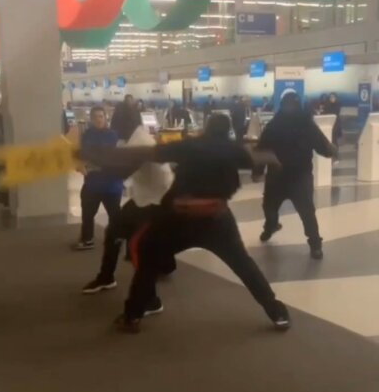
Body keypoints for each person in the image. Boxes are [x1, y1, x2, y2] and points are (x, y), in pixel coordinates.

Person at [84, 114, 290, 333]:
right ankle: (276, 312)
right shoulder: (234, 150)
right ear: (227, 130)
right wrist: (272, 164)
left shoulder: (191, 146)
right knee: (244, 265)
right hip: (217, 220)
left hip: (178, 219)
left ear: (207, 127)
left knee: (147, 259)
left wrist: (97, 153)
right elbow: (263, 158)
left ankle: (132, 316)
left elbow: (148, 153)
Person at [82, 109, 175, 294]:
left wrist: (94, 166)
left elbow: (122, 170)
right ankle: (109, 277)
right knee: (118, 232)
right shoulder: (136, 139)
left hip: (156, 200)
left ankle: (140, 290)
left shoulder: (140, 143)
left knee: (134, 240)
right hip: (150, 197)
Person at [258, 91, 335, 260]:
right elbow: (324, 147)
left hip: (283, 176)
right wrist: (331, 151)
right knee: (301, 210)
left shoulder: (275, 125)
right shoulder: (304, 124)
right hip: (295, 176)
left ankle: (312, 243)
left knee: (276, 207)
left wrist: (257, 171)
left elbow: (262, 149)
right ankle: (312, 244)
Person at [75, 105, 123, 250]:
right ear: (91, 119)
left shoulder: (113, 136)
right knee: (88, 213)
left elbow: (113, 158)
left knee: (115, 215)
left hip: (111, 185)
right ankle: (87, 239)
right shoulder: (86, 136)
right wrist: (80, 165)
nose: (98, 120)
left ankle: (117, 238)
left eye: (101, 116)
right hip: (92, 183)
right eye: (95, 117)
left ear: (105, 118)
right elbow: (81, 155)